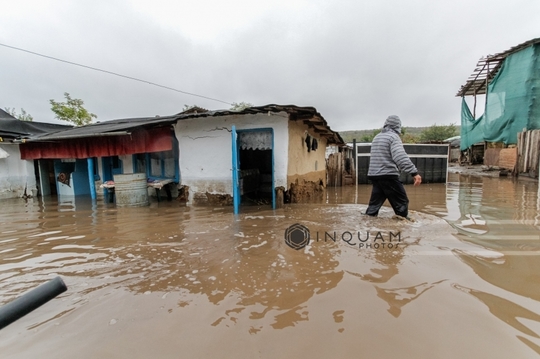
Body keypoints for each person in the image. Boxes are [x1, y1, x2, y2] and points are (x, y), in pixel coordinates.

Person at [364, 115, 422, 220]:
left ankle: (368, 225)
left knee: (373, 207)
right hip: (388, 175)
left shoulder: (377, 137)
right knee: (402, 202)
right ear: (398, 126)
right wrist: (414, 172)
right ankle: (401, 229)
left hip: (375, 175)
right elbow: (400, 156)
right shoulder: (393, 137)